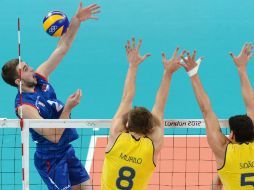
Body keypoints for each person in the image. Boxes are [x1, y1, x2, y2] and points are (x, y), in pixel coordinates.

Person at [1, 2, 100, 190]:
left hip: (66, 150)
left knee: (88, 187)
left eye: (27, 65)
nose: (30, 69)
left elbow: (61, 48)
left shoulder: (40, 77)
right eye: (24, 69)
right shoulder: (25, 107)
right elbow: (53, 136)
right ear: (18, 81)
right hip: (50, 160)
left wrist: (77, 21)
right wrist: (68, 108)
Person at [101, 37, 185, 189]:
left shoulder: (116, 135)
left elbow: (127, 98)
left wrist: (133, 66)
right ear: (151, 129)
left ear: (127, 124)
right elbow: (159, 107)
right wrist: (168, 73)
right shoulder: (153, 146)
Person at [179, 46, 254, 190]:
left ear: (231, 134)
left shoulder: (223, 151)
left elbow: (206, 110)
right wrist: (242, 69)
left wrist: (193, 73)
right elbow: (251, 106)